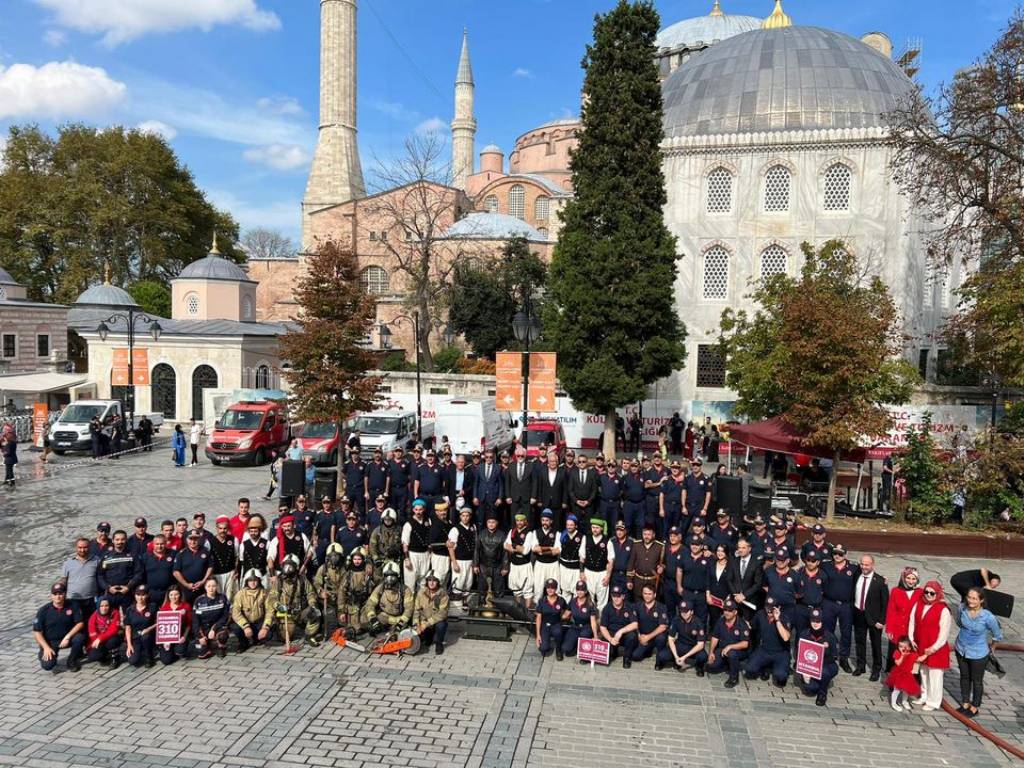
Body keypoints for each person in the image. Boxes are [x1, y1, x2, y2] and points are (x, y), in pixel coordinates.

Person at [954, 587, 1003, 718]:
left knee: (977, 680)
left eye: (974, 598)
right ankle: (965, 703)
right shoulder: (962, 608)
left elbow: (997, 635)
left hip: (978, 654)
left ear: (981, 600)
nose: (970, 600)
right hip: (961, 649)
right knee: (964, 677)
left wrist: (992, 648)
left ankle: (975, 706)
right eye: (969, 597)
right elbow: (959, 622)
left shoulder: (988, 617)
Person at [259, 554, 321, 646]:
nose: (287, 569)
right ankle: (277, 627)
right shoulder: (278, 581)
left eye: (290, 566)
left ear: (296, 567)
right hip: (285, 614)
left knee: (315, 612)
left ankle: (309, 635)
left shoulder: (302, 580)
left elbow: (310, 593)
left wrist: (312, 604)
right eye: (285, 566)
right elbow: (271, 600)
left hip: (299, 612)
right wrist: (266, 626)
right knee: (284, 637)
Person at [909, 580, 951, 711]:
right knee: (923, 673)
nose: (928, 595)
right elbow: (912, 621)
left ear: (937, 593)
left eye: (932, 593)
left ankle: (933, 701)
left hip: (935, 648)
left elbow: (944, 634)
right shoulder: (919, 604)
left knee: (935, 676)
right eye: (926, 592)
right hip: (921, 645)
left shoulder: (943, 610)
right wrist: (911, 638)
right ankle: (924, 695)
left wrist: (933, 649)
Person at [822, 544, 859, 673]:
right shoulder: (825, 565)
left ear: (846, 555)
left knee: (846, 633)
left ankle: (844, 658)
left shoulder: (854, 568)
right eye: (835, 553)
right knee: (827, 631)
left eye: (840, 554)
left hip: (846, 605)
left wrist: (883, 579)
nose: (837, 556)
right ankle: (828, 654)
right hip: (829, 602)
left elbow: (866, 576)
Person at [34, 582, 85, 672]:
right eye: (55, 594)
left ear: (65, 594)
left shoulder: (73, 605)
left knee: (79, 638)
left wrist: (68, 636)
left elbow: (80, 623)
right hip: (51, 642)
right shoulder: (43, 611)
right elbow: (37, 632)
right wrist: (46, 648)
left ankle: (71, 661)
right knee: (48, 665)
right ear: (51, 595)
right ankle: (43, 653)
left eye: (60, 593)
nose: (58, 596)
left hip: (66, 639)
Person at [852, 555, 889, 680]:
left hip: (874, 618)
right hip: (859, 614)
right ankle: (860, 666)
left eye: (867, 565)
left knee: (876, 644)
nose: (864, 567)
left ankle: (876, 669)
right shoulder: (856, 575)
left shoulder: (880, 581)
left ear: (872, 565)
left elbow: (885, 603)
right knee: (860, 642)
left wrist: (882, 620)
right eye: (862, 564)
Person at [744, 597, 792, 688]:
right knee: (749, 669)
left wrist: (777, 620)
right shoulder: (760, 614)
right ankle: (766, 666)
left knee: (781, 677)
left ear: (778, 608)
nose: (769, 610)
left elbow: (786, 638)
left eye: (772, 608)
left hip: (780, 653)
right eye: (767, 607)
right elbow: (751, 626)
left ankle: (776, 667)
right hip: (765, 650)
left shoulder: (784, 618)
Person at [796, 607, 839, 706]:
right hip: (809, 667)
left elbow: (834, 656)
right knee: (810, 689)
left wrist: (821, 658)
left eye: (818, 621)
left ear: (822, 621)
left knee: (825, 673)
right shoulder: (804, 634)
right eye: (813, 620)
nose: (815, 623)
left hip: (826, 665)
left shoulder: (830, 637)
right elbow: (800, 654)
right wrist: (804, 672)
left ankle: (822, 694)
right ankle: (816, 681)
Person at [884, 567, 923, 671]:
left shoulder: (920, 592)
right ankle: (894, 680)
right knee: (897, 655)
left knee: (911, 655)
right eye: (908, 578)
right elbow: (891, 611)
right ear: (904, 578)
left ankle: (910, 680)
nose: (911, 581)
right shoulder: (896, 591)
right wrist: (889, 629)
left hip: (912, 629)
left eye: (913, 579)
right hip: (898, 629)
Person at [707, 599, 750, 688]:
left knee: (731, 654)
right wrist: (711, 652)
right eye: (725, 610)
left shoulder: (742, 624)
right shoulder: (721, 621)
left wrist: (730, 646)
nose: (727, 612)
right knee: (711, 667)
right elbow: (715, 637)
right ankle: (728, 665)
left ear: (735, 612)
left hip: (739, 651)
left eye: (730, 611)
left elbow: (745, 644)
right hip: (723, 649)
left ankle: (734, 678)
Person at [362, 561, 414, 634]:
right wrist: (373, 620)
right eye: (387, 575)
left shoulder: (405, 590)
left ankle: (391, 630)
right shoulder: (381, 587)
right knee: (364, 618)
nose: (390, 578)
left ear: (398, 576)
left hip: (398, 618)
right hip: (383, 616)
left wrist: (401, 623)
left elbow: (409, 609)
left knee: (398, 636)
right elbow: (370, 604)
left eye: (393, 575)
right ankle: (381, 628)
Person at [659, 598, 708, 674]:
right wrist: (676, 657)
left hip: (693, 646)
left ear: (692, 612)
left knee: (703, 656)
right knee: (662, 656)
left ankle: (699, 666)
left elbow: (700, 645)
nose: (683, 613)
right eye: (682, 611)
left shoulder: (698, 623)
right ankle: (676, 661)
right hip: (680, 645)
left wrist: (684, 657)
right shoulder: (676, 619)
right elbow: (670, 638)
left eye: (686, 611)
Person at [338, 547, 375, 637]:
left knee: (365, 622)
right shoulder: (348, 574)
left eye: (359, 559)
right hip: (352, 603)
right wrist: (341, 610)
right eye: (354, 559)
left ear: (363, 560)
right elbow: (341, 592)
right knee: (355, 629)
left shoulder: (368, 573)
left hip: (364, 602)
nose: (357, 561)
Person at [98, 530, 140, 611]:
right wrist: (108, 588)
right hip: (110, 593)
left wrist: (128, 587)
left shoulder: (133, 555)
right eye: (117, 539)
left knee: (128, 618)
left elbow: (138, 573)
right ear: (113, 540)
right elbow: (100, 575)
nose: (120, 542)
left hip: (128, 593)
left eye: (122, 539)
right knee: (111, 619)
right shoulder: (106, 556)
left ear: (126, 540)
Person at [600, 585, 639, 667]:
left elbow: (635, 624)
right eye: (614, 596)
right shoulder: (607, 608)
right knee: (607, 655)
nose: (616, 598)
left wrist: (620, 631)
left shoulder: (629, 607)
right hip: (611, 635)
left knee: (632, 636)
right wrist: (610, 639)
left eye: (618, 596)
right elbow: (603, 627)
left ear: (623, 596)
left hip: (624, 635)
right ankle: (613, 651)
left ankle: (627, 658)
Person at [61, 538, 100, 621]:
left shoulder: (96, 560)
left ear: (89, 547)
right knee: (75, 622)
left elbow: (101, 577)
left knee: (90, 621)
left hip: (91, 599)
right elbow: (64, 580)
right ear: (76, 548)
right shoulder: (68, 563)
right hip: (73, 599)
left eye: (85, 547)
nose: (82, 550)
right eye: (80, 547)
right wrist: (60, 593)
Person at [402, 499, 435, 594]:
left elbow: (430, 539)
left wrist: (430, 552)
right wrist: (407, 559)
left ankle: (420, 606)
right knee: (410, 583)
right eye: (416, 510)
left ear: (423, 509)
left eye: (420, 509)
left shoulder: (428, 521)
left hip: (425, 554)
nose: (418, 512)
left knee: (423, 583)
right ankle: (409, 607)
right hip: (412, 555)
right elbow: (405, 543)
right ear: (413, 510)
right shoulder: (408, 524)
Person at [192, 577, 231, 658]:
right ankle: (208, 646)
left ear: (217, 586)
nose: (211, 588)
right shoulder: (198, 601)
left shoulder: (222, 598)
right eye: (208, 586)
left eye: (213, 586)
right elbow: (195, 621)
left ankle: (221, 647)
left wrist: (214, 629)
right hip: (204, 628)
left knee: (222, 635)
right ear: (205, 587)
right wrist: (200, 636)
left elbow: (225, 616)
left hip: (218, 627)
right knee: (201, 653)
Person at [632, 583, 669, 666]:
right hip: (643, 637)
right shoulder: (637, 606)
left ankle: (659, 659)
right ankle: (648, 650)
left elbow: (663, 627)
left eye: (649, 594)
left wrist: (648, 637)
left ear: (654, 595)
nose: (647, 596)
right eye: (645, 593)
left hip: (655, 636)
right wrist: (639, 636)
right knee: (635, 656)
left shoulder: (661, 607)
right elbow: (634, 623)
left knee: (661, 638)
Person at [231, 569, 268, 651]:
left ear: (259, 581)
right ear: (246, 582)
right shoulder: (240, 594)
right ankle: (243, 642)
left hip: (259, 622)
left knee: (269, 633)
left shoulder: (264, 593)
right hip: (246, 622)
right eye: (250, 580)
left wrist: (265, 627)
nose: (253, 583)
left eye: (255, 580)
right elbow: (235, 613)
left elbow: (270, 612)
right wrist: (245, 626)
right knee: (235, 627)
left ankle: (256, 638)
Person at [726, 538, 763, 623]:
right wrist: (735, 595)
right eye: (739, 548)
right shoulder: (733, 561)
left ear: (749, 549)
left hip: (749, 601)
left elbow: (758, 584)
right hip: (735, 601)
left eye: (743, 548)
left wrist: (744, 595)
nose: (740, 550)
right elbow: (729, 579)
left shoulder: (756, 563)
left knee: (747, 628)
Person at [580, 519, 613, 610]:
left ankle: (601, 621)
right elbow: (582, 557)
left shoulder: (608, 542)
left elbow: (611, 561)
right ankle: (590, 621)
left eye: (597, 528)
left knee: (602, 599)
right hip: (588, 572)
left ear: (602, 529)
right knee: (588, 598)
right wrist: (581, 572)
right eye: (593, 527)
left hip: (602, 573)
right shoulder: (586, 538)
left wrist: (608, 576)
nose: (594, 529)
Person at [474, 516, 508, 603]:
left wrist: (505, 567)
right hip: (483, 565)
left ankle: (500, 611)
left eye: (493, 522)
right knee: (482, 589)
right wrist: (475, 565)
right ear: (486, 523)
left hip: (497, 566)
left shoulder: (502, 535)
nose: (491, 524)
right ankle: (480, 607)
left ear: (497, 523)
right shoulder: (481, 534)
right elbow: (477, 550)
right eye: (489, 522)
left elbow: (505, 552)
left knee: (498, 589)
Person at [626, 524, 664, 604]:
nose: (646, 536)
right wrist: (629, 580)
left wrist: (662, 568)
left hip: (652, 582)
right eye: (645, 534)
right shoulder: (636, 545)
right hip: (638, 582)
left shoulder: (660, 546)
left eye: (649, 534)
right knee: (638, 606)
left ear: (653, 535)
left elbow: (664, 563)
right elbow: (631, 563)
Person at [414, 571, 450, 654]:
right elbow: (416, 610)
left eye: (434, 580)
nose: (431, 583)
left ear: (438, 582)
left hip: (435, 621)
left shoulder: (443, 595)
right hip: (424, 621)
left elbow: (442, 614)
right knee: (426, 642)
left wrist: (426, 624)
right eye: (429, 580)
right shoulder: (421, 592)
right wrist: (416, 625)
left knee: (442, 625)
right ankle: (429, 636)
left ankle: (439, 643)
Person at [562, 580, 599, 659]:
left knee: (584, 636)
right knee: (566, 649)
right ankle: (575, 645)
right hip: (575, 626)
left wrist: (596, 636)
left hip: (586, 627)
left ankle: (580, 648)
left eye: (582, 590)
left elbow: (593, 622)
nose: (580, 592)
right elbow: (565, 614)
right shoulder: (573, 601)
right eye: (578, 589)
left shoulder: (590, 604)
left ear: (585, 591)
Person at [173, 531, 213, 603]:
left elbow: (210, 567)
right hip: (185, 589)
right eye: (190, 539)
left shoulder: (205, 551)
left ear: (199, 539)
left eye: (195, 539)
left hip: (202, 587)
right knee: (187, 610)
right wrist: (187, 585)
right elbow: (176, 572)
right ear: (186, 540)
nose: (193, 541)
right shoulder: (181, 554)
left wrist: (203, 581)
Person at [505, 514, 535, 609]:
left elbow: (525, 551)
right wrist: (518, 547)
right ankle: (518, 612)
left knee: (527, 590)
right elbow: (505, 545)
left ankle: (527, 613)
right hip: (514, 565)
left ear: (525, 521)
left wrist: (513, 546)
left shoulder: (529, 533)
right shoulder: (512, 531)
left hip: (525, 565)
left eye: (521, 520)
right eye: (517, 520)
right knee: (516, 589)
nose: (519, 522)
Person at [123, 585, 158, 667]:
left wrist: (149, 629)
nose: (140, 597)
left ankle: (149, 656)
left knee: (146, 637)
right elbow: (128, 628)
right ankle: (140, 650)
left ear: (147, 595)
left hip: (149, 636)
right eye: (138, 595)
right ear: (135, 595)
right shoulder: (130, 609)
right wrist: (129, 645)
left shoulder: (153, 607)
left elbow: (159, 622)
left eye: (143, 595)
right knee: (133, 661)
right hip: (136, 637)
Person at [157, 584, 192, 664]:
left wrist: (184, 636)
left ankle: (179, 651)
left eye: (176, 594)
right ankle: (169, 651)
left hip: (180, 635)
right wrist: (165, 641)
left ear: (180, 595)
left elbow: (188, 624)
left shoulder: (186, 606)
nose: (174, 597)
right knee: (166, 661)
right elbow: (161, 627)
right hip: (168, 638)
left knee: (180, 651)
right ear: (168, 596)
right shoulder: (164, 608)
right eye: (171, 595)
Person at [885, 636, 921, 712]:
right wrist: (902, 655)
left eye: (905, 647)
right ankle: (894, 703)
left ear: (910, 647)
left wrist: (927, 654)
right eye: (900, 646)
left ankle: (904, 701)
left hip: (908, 675)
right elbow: (898, 663)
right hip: (898, 674)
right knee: (897, 689)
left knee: (906, 689)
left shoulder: (912, 654)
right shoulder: (897, 653)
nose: (902, 648)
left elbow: (919, 659)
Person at [236, 515, 270, 587]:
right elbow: (241, 562)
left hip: (262, 576)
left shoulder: (266, 543)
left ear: (260, 531)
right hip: (248, 577)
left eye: (255, 531)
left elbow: (269, 560)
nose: (253, 533)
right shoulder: (243, 545)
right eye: (251, 531)